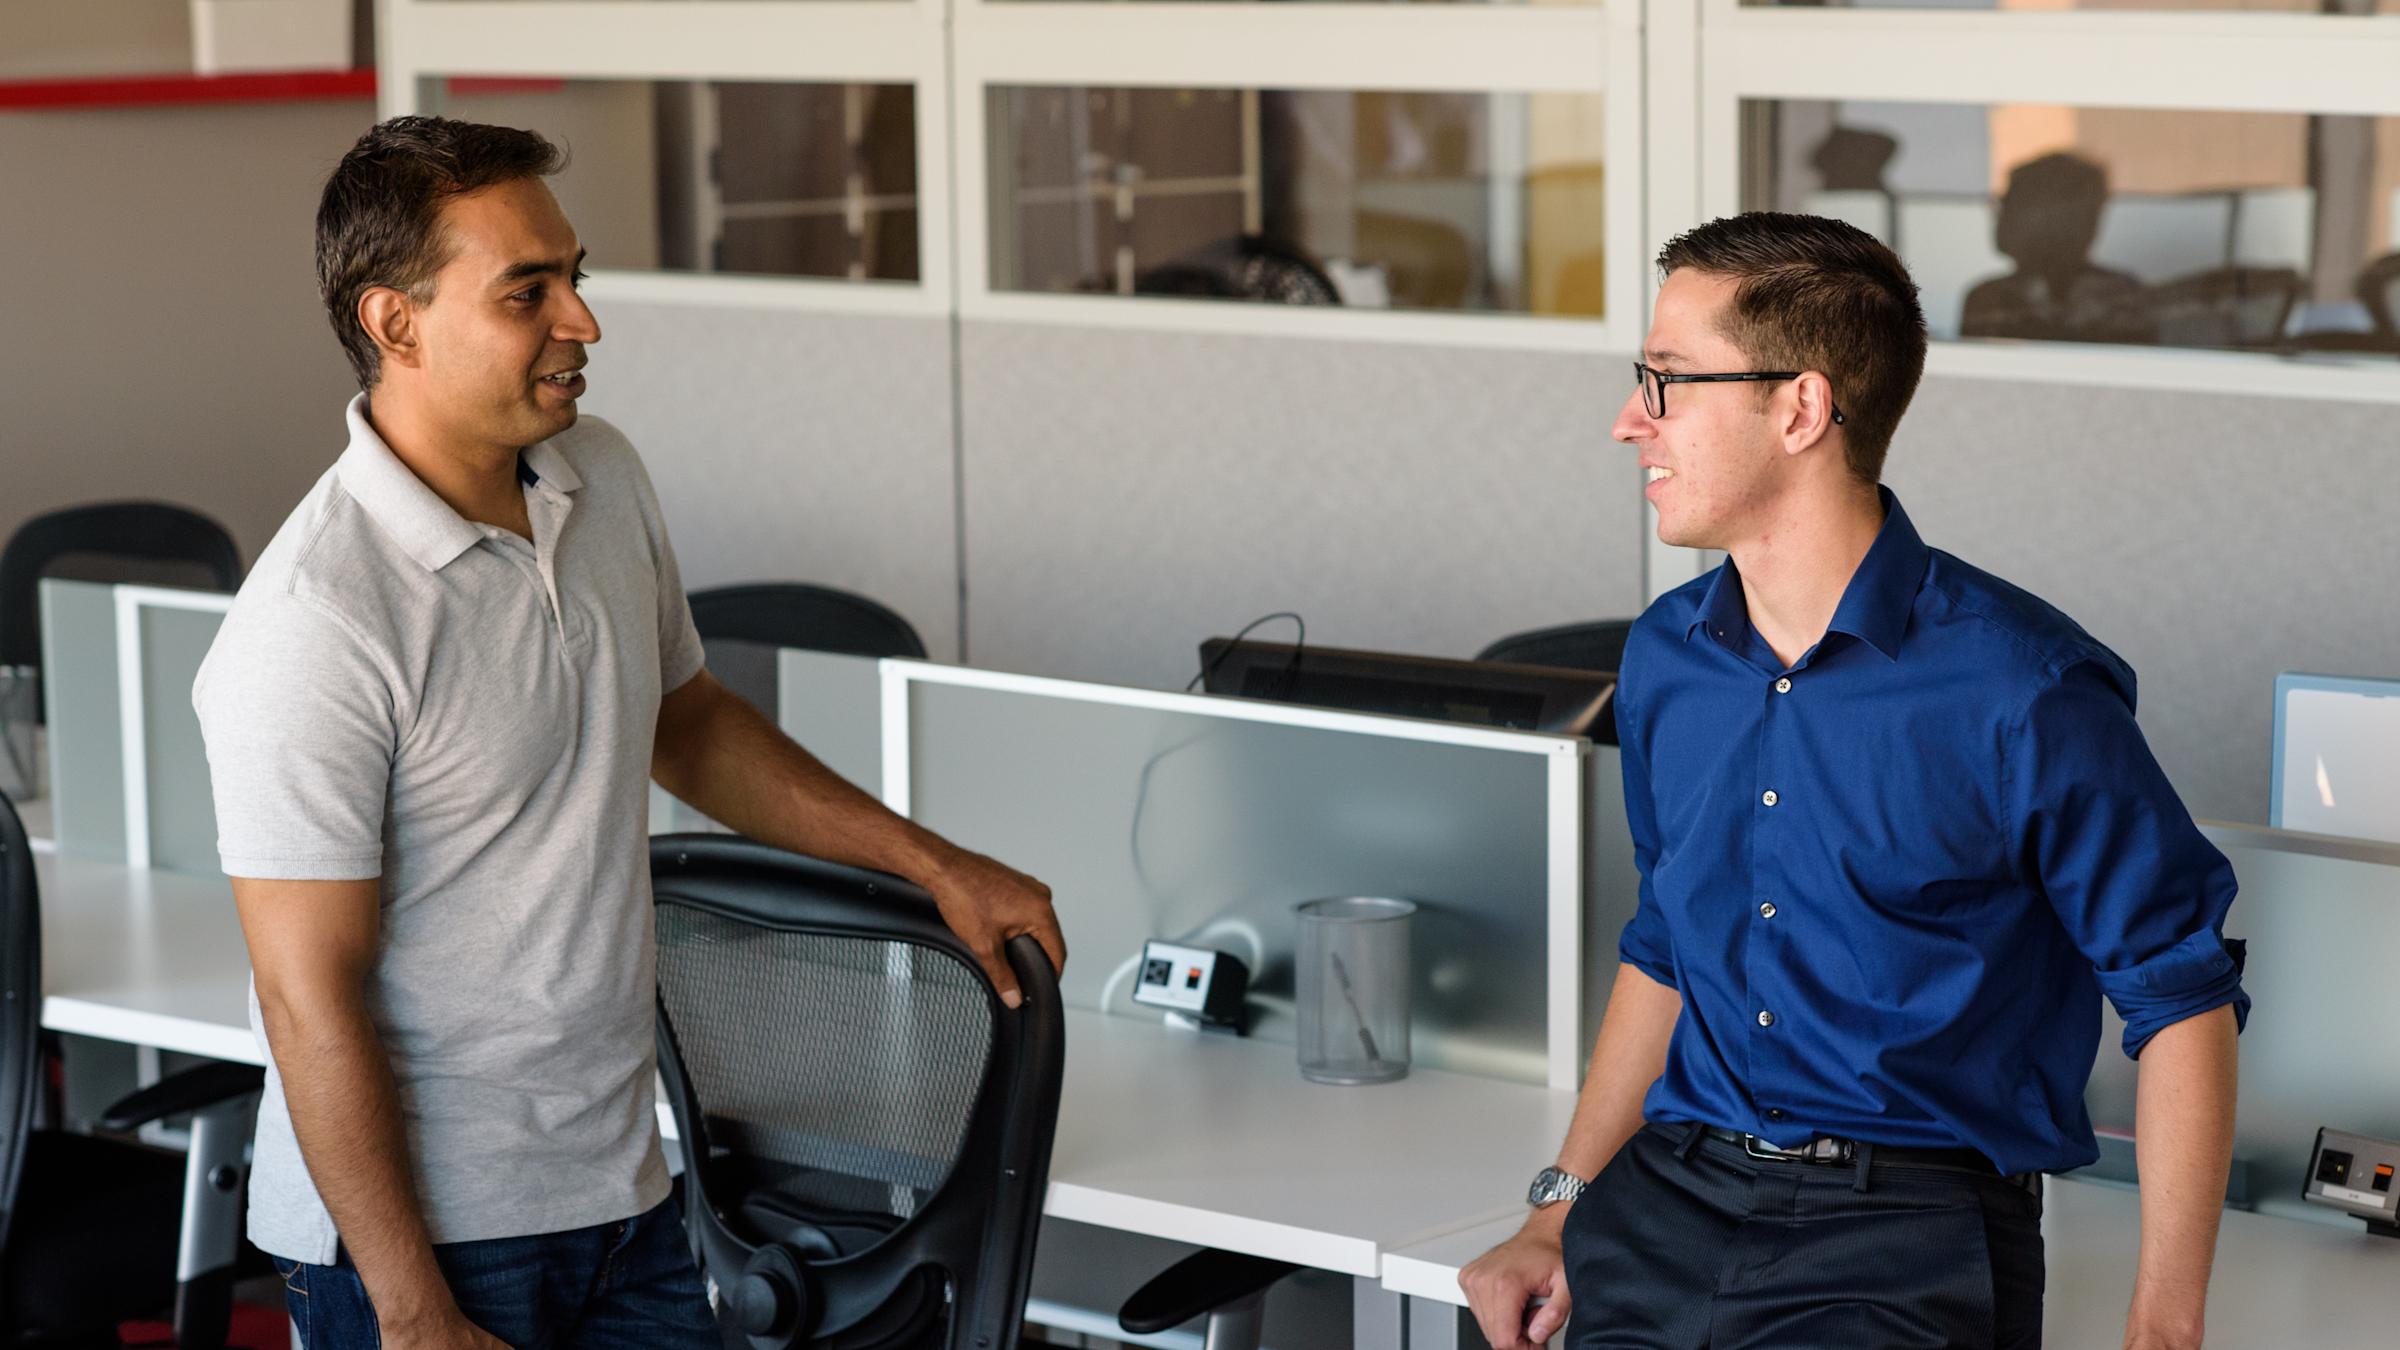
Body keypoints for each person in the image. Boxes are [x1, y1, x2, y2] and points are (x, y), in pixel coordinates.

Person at [193, 116, 1066, 1350]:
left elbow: (690, 725)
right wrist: (413, 1312)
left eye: (575, 279)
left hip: (627, 1186)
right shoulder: (316, 620)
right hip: (429, 1245)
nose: (583, 323)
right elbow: (305, 993)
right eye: (527, 293)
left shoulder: (595, 475)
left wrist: (938, 868)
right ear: (396, 324)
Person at [1459, 212, 2245, 1350]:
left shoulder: (2023, 688)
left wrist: (2162, 1330)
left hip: (1905, 1238)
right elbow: (1667, 945)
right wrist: (1557, 1207)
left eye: (1669, 380)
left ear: (1801, 409)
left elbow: (2183, 999)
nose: (1631, 420)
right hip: (1668, 1202)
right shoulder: (1666, 658)